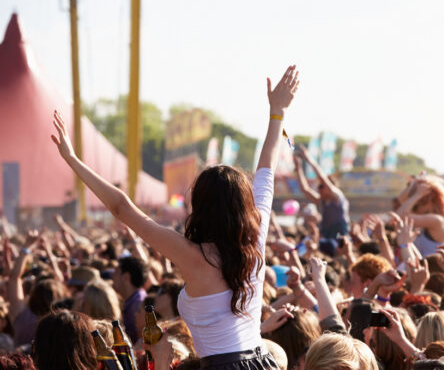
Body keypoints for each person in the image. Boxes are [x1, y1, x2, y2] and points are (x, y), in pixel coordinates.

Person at [51, 65, 300, 368]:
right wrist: (277, 113)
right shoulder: (254, 238)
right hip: (262, 362)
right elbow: (267, 171)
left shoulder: (194, 254)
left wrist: (73, 160)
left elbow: (122, 209)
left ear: (201, 206)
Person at [293, 144, 350, 242]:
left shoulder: (337, 196)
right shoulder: (322, 200)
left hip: (339, 233)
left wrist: (308, 159)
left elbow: (322, 178)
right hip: (327, 233)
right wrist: (298, 169)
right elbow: (305, 190)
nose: (319, 189)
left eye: (321, 186)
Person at [113, 255, 148, 341]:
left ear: (126, 277)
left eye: (116, 272)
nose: (113, 276)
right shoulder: (135, 300)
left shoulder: (138, 305)